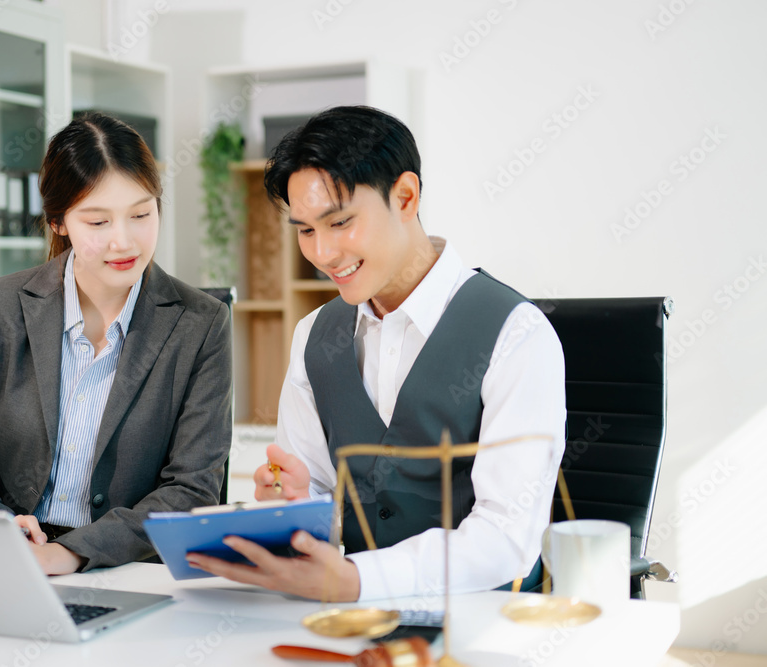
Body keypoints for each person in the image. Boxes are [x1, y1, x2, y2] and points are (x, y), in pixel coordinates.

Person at [185, 106, 565, 602]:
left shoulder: (517, 334)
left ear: (405, 197)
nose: (322, 253)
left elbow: (507, 537)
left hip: (489, 618)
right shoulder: (314, 335)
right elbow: (317, 495)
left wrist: (358, 579)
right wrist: (299, 506)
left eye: (340, 222)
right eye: (305, 230)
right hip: (354, 617)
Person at [0, 112, 232, 576]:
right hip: (15, 560)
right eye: (98, 221)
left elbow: (193, 488)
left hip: (130, 568)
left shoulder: (201, 324)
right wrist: (1, 528)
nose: (123, 241)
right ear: (58, 222)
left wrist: (69, 552)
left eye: (141, 214)